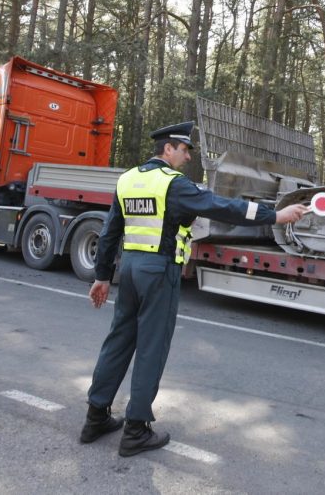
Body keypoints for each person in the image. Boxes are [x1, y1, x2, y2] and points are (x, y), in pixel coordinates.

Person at [80, 121, 308, 457]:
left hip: (129, 270)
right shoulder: (173, 184)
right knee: (151, 349)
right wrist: (274, 215)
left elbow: (111, 230)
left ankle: (95, 417)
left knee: (118, 341)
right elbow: (222, 207)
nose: (187, 158)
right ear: (168, 149)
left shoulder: (127, 180)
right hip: (159, 272)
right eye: (185, 150)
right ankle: (136, 431)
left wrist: (101, 276)